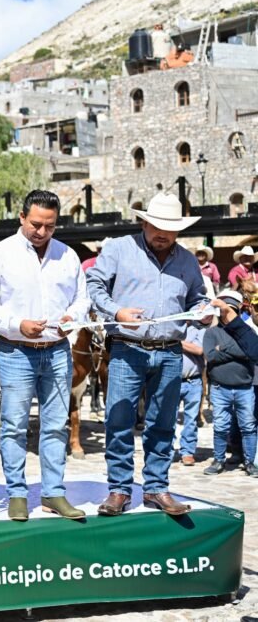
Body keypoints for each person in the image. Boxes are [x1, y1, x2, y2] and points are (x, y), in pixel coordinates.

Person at [87, 192, 211, 517]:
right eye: (156, 226)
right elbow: (94, 285)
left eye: (169, 229)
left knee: (163, 423)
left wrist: (203, 311)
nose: (162, 234)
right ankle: (119, 489)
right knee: (119, 419)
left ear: (179, 231)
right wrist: (117, 311)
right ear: (143, 222)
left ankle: (156, 487)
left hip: (170, 351)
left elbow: (197, 298)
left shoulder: (187, 260)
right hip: (127, 347)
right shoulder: (118, 248)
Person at [0, 190, 89, 522]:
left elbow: (81, 299)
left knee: (55, 425)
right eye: (36, 224)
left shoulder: (67, 256)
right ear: (22, 218)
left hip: (57, 351)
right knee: (13, 426)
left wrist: (73, 319)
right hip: (15, 352)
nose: (42, 231)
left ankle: (54, 493)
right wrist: (16, 324)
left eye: (50, 226)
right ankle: (17, 494)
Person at [201, 290, 258, 478]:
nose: (227, 314)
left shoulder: (246, 331)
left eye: (231, 310)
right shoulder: (211, 332)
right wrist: (232, 349)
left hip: (244, 387)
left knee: (248, 426)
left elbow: (249, 353)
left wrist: (222, 349)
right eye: (225, 310)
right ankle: (218, 460)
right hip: (220, 387)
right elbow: (210, 356)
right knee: (220, 426)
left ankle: (249, 462)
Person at [175, 322, 206, 467]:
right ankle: (166, 451)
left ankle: (187, 452)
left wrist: (174, 342)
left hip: (193, 381)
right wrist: (188, 345)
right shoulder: (172, 328)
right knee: (168, 419)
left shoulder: (199, 330)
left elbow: (199, 350)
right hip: (172, 381)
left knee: (191, 419)